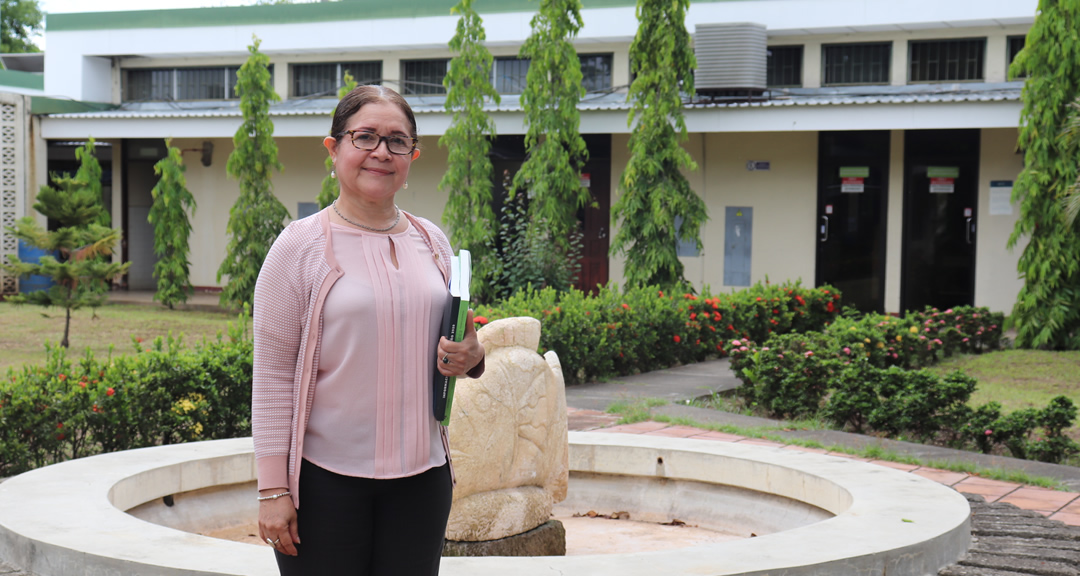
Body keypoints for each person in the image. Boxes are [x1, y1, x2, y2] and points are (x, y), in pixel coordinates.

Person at [251, 84, 485, 576]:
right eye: (365, 137)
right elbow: (273, 377)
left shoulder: (433, 241)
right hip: (325, 484)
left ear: (412, 157)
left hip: (423, 481)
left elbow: (462, 342)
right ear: (334, 149)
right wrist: (273, 490)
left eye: (397, 141)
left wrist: (472, 354)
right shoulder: (298, 247)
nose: (382, 152)